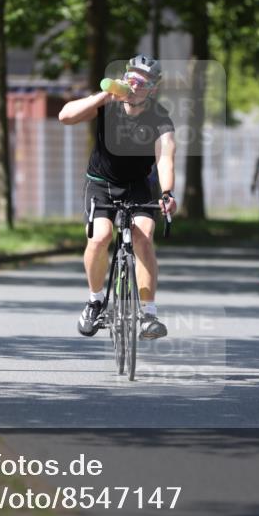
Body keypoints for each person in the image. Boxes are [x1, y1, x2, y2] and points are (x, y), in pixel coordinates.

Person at [58, 54, 176, 340]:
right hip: (100, 183)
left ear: (152, 89)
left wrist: (167, 192)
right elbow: (65, 116)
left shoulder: (159, 117)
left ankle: (149, 314)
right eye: (131, 78)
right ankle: (95, 300)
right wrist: (102, 95)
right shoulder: (107, 105)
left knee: (144, 236)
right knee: (100, 237)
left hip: (136, 185)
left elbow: (165, 158)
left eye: (142, 81)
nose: (135, 85)